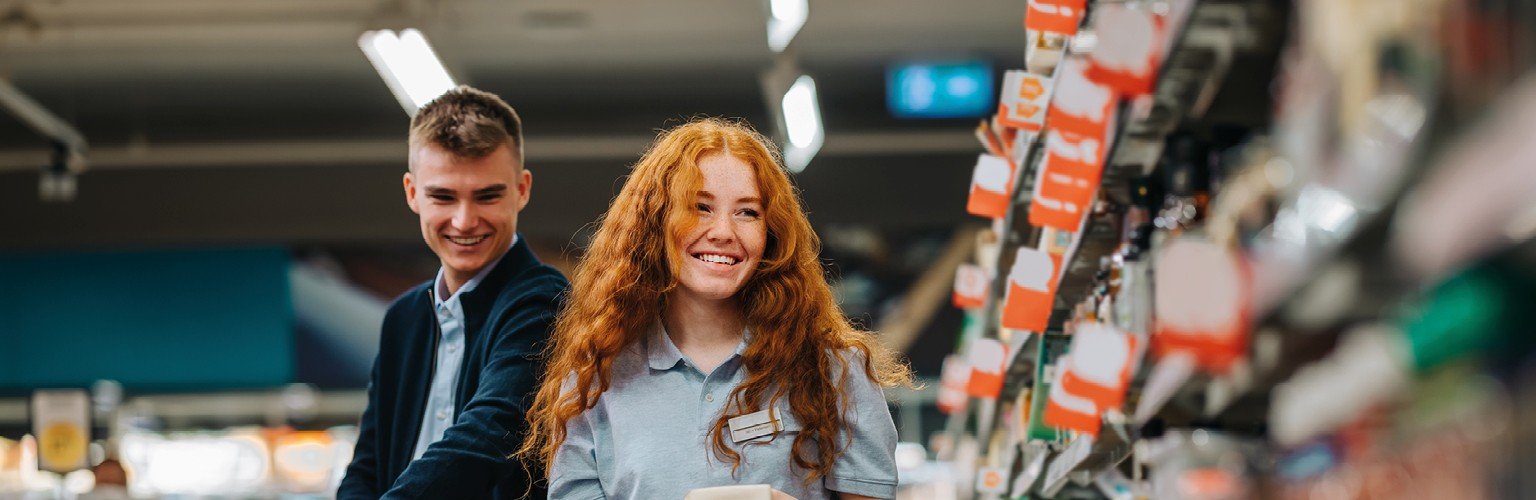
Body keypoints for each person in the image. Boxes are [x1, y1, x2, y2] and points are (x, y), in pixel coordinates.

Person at [519, 118, 912, 499]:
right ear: (654, 224)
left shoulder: (836, 370)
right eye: (700, 207)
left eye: (748, 212)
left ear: (771, 233)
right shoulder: (595, 378)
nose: (724, 232)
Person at [338, 86, 568, 499]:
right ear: (412, 193)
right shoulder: (404, 318)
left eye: (487, 196)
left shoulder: (544, 301)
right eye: (442, 196)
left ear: (522, 189)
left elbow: (489, 435)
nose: (464, 221)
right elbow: (368, 465)